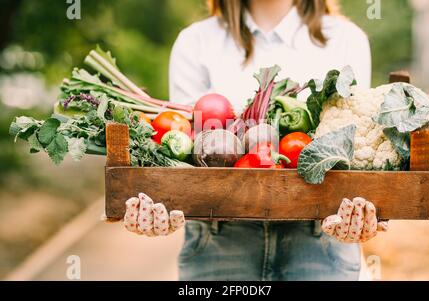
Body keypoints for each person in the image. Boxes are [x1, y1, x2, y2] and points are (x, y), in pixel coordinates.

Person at [121, 0, 388, 281]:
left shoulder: (347, 40)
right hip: (218, 240)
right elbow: (182, 146)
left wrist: (363, 214)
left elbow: (354, 151)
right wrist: (160, 199)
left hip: (320, 241)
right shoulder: (195, 42)